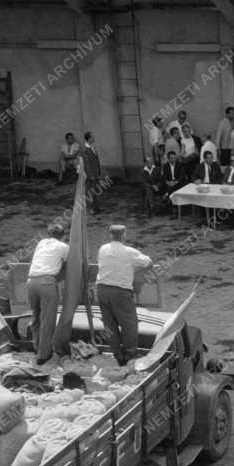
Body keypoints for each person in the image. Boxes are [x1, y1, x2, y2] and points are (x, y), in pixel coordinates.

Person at [96, 225, 154, 366]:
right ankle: (130, 355)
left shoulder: (103, 249)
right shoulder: (129, 252)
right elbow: (149, 262)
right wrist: (134, 269)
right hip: (120, 292)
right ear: (124, 235)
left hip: (102, 290)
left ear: (110, 235)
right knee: (129, 325)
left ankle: (117, 355)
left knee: (109, 326)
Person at [26, 225, 69, 365]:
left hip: (31, 281)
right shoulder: (63, 246)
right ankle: (43, 355)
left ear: (49, 234)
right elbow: (72, 263)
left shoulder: (41, 243)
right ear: (63, 235)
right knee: (47, 319)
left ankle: (37, 347)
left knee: (36, 316)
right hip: (46, 282)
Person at [79, 132, 102, 212]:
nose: (94, 138)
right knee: (89, 192)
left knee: (96, 190)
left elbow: (97, 161)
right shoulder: (85, 150)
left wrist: (99, 172)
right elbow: (87, 164)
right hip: (91, 175)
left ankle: (96, 207)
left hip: (96, 173)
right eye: (92, 137)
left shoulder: (93, 147)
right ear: (89, 138)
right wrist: (90, 175)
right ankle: (90, 208)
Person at [160, 150, 185, 216]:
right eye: (172, 158)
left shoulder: (179, 165)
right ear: (168, 159)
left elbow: (182, 175)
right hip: (169, 183)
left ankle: (166, 195)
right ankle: (174, 208)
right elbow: (164, 176)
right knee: (171, 188)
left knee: (173, 189)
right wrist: (167, 182)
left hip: (177, 183)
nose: (174, 159)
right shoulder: (165, 166)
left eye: (175, 158)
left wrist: (176, 182)